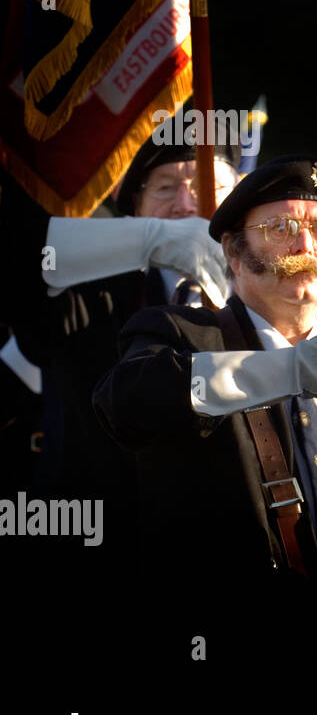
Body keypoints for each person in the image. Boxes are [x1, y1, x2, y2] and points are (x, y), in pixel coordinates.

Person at [93, 156, 317, 675]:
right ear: (234, 253)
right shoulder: (177, 331)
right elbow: (127, 402)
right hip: (220, 649)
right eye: (279, 228)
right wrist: (290, 369)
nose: (304, 246)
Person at [0, 139, 238, 675]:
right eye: (166, 189)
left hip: (221, 570)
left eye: (210, 188)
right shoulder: (86, 289)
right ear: (132, 208)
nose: (187, 203)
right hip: (93, 567)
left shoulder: (261, 297)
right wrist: (150, 243)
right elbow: (17, 250)